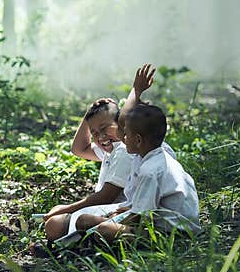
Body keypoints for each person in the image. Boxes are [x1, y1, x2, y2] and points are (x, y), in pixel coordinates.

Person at [40, 65, 156, 244]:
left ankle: (77, 243)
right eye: (95, 132)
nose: (100, 137)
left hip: (118, 208)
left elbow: (106, 196)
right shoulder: (110, 150)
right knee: (57, 217)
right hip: (114, 209)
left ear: (122, 125)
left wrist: (66, 209)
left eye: (104, 128)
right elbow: (78, 149)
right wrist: (89, 116)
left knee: (55, 224)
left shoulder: (125, 150)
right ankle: (78, 241)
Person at [75, 102, 201, 242]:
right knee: (85, 221)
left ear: (138, 140)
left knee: (104, 230)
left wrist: (113, 219)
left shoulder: (150, 170)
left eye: (126, 134)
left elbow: (141, 217)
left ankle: (99, 248)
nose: (123, 139)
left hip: (173, 234)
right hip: (156, 222)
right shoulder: (149, 158)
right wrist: (126, 210)